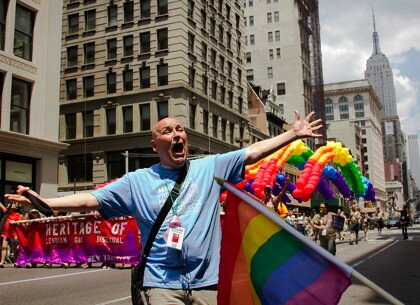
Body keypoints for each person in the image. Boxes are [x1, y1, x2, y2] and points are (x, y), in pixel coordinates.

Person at [5, 111, 322, 305]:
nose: (177, 134)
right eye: (167, 131)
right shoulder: (136, 180)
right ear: (155, 145)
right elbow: (89, 198)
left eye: (180, 130)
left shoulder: (209, 167)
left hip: (208, 283)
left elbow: (251, 153)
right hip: (161, 283)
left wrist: (292, 134)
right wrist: (44, 202)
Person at [0, 202, 23, 267]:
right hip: (6, 234)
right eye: (9, 208)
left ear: (14, 209)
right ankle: (2, 262)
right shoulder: (6, 214)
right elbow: (1, 206)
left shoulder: (17, 215)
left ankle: (16, 261)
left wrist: (14, 222)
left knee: (14, 248)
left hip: (14, 234)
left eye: (11, 208)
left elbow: (20, 223)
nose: (10, 209)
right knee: (4, 247)